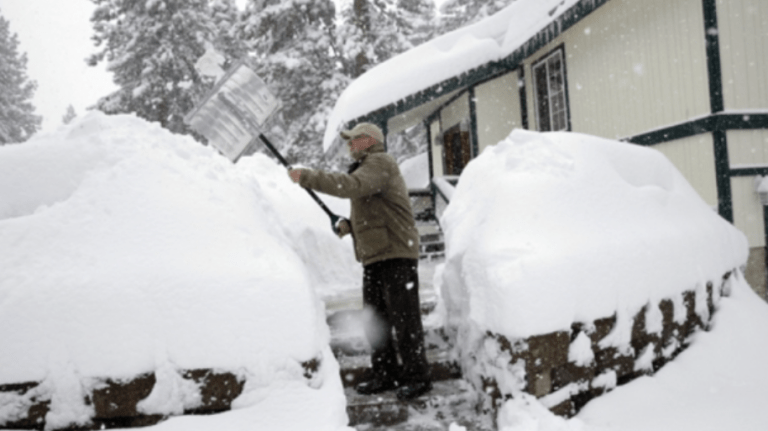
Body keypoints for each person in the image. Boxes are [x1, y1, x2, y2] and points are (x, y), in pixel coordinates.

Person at [288, 122, 432, 401]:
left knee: (405, 322)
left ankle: (418, 377)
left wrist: (308, 176)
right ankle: (385, 374)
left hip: (396, 255)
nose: (349, 145)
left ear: (368, 140)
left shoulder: (380, 162)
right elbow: (376, 213)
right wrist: (350, 226)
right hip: (377, 258)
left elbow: (351, 186)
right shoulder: (369, 167)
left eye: (353, 140)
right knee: (376, 321)